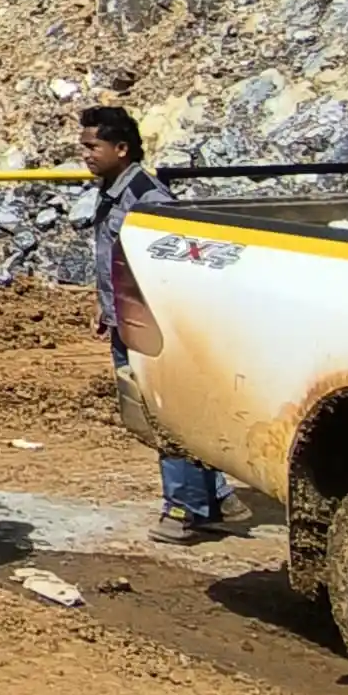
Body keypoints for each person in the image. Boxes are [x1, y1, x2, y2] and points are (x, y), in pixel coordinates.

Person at [79, 103, 236, 544]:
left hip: (152, 326)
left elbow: (168, 266)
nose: (86, 155)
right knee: (160, 412)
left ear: (122, 149)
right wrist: (105, 305)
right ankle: (214, 496)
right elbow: (115, 258)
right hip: (127, 320)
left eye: (93, 146)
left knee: (164, 413)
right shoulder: (113, 189)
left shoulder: (148, 198)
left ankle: (185, 508)